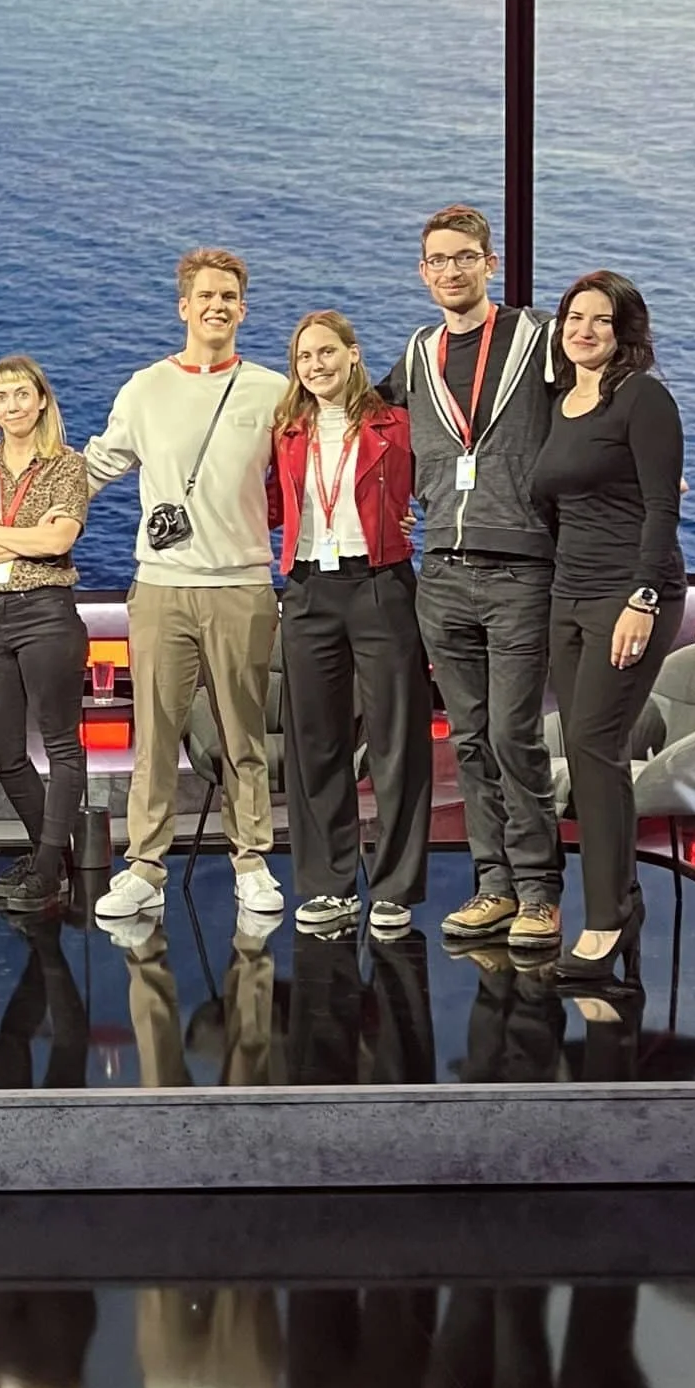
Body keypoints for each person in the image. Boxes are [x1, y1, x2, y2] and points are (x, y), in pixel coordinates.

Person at [382, 206, 564, 956]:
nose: (450, 270)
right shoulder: (419, 352)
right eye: (436, 260)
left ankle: (541, 894)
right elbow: (369, 426)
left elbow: (605, 404)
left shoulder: (539, 339)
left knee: (515, 735)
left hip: (521, 566)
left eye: (463, 257)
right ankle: (494, 887)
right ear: (423, 272)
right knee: (469, 737)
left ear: (489, 264)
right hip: (443, 573)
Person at [85, 248, 285, 927]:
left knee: (243, 732)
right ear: (183, 307)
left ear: (243, 308)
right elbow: (96, 465)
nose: (218, 306)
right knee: (155, 733)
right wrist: (16, 498)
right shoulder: (145, 388)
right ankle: (144, 866)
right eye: (205, 296)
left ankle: (252, 860)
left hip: (243, 587)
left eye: (229, 296)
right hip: (162, 587)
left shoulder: (272, 390)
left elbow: (314, 469)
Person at [532, 269, 685, 982]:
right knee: (590, 743)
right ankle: (620, 895)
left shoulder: (644, 400)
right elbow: (548, 505)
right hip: (568, 593)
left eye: (600, 320)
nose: (583, 330)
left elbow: (661, 508)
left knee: (593, 744)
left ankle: (606, 918)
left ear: (625, 333)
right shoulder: (559, 401)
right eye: (573, 317)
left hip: (631, 596)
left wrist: (643, 597)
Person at [271, 310, 435, 940]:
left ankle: (393, 887)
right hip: (308, 591)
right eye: (304, 357)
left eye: (326, 353)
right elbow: (264, 502)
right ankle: (328, 885)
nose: (316, 365)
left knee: (396, 742)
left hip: (380, 586)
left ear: (353, 354)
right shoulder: (286, 431)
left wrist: (414, 518)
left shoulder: (397, 423)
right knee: (315, 744)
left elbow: (444, 484)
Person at [0, 355, 90, 914]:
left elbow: (59, 543)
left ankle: (48, 867)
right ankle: (52, 854)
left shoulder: (66, 466)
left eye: (22, 394)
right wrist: (27, 534)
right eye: (1, 397)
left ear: (42, 400)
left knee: (60, 744)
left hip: (46, 611)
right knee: (4, 749)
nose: (12, 405)